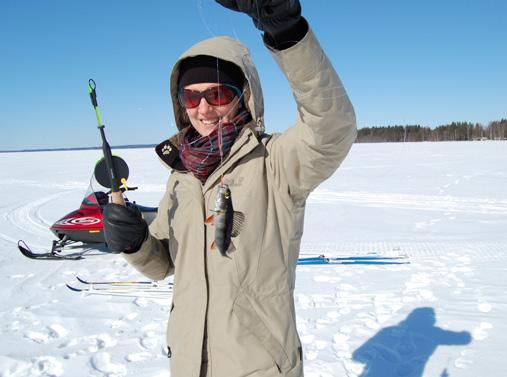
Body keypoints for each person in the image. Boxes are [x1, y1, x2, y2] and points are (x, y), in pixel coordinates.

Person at [102, 1, 357, 376]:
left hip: (258, 366)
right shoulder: (181, 177)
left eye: (217, 95)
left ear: (243, 96)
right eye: (191, 97)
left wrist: (288, 33)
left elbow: (331, 128)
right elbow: (164, 264)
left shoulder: (275, 162)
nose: (203, 109)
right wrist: (135, 243)